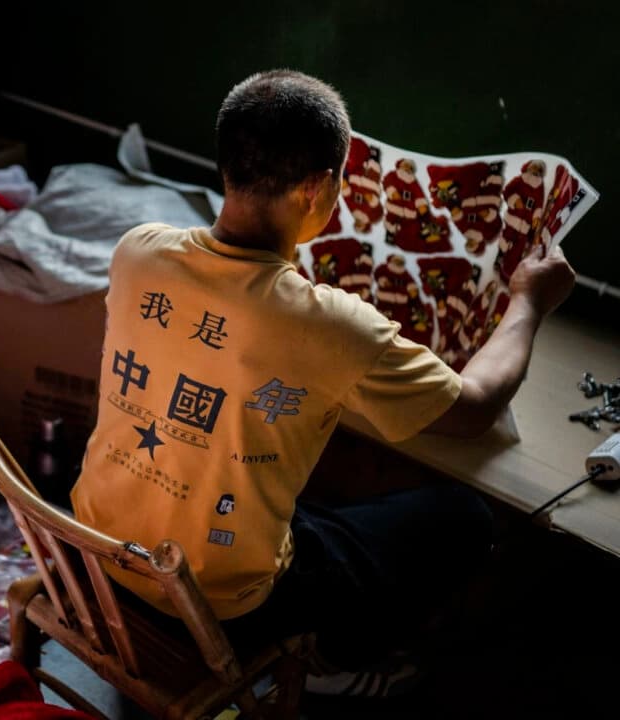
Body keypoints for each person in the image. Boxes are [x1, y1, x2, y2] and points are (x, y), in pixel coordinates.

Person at [69, 69, 575, 697]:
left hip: (102, 553)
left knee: (308, 487)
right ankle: (336, 662)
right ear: (318, 188)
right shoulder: (329, 326)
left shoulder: (138, 250)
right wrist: (528, 301)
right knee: (464, 518)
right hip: (227, 605)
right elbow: (475, 408)